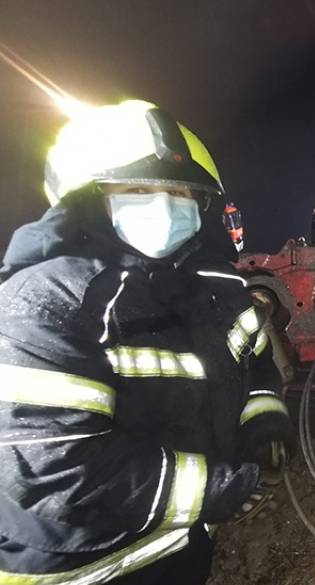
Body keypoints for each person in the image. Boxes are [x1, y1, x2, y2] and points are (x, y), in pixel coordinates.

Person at [0, 100, 290, 584]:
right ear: (88, 200)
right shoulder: (42, 301)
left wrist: (266, 427)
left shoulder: (219, 291)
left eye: (179, 191)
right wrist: (222, 490)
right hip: (83, 569)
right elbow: (52, 469)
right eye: (136, 189)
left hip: (183, 547)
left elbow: (256, 365)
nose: (164, 207)